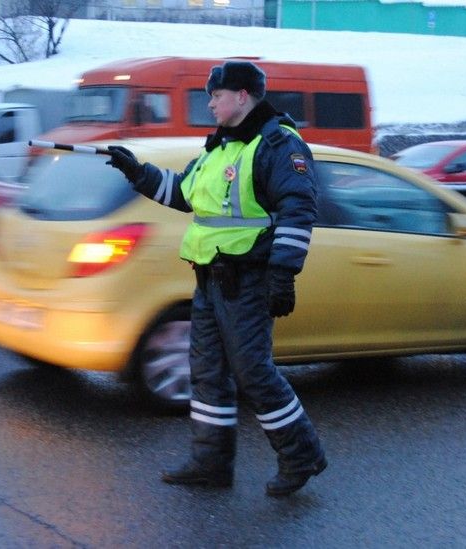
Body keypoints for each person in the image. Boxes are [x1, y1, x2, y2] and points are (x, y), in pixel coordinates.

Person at [105, 61, 326, 497]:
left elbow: (299, 207)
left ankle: (301, 455)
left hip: (249, 280)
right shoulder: (219, 148)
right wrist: (138, 173)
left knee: (253, 374)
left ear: (242, 96)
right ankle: (211, 463)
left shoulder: (278, 145)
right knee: (206, 374)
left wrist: (283, 274)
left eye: (216, 96)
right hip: (209, 279)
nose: (210, 103)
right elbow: (185, 194)